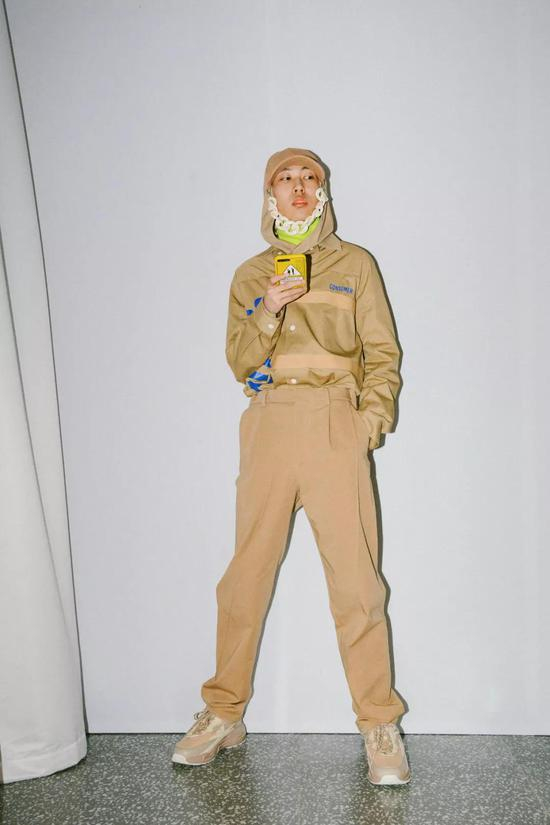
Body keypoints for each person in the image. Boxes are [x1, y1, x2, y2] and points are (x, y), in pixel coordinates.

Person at [172, 147, 411, 785]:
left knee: (357, 584)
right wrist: (269, 309)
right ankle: (223, 712)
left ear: (323, 192)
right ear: (270, 195)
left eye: (310, 177)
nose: (299, 187)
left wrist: (368, 422)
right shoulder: (251, 274)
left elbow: (383, 353)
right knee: (245, 578)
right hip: (271, 420)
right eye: (286, 178)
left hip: (335, 423)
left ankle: (378, 722)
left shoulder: (355, 265)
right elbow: (240, 362)